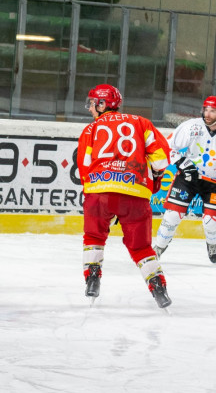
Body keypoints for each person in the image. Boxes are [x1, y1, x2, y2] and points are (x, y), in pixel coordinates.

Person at [76, 84, 172, 308]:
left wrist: (97, 191)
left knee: (94, 238)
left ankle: (92, 281)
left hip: (99, 193)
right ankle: (158, 288)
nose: (90, 108)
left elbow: (85, 167)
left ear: (102, 104)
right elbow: (161, 161)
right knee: (141, 247)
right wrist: (153, 178)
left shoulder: (90, 130)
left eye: (92, 103)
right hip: (135, 194)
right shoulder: (141, 123)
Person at [154, 96, 216, 263]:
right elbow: (167, 147)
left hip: (213, 184)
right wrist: (182, 163)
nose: (207, 114)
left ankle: (213, 244)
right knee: (172, 216)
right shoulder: (191, 126)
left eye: (212, 111)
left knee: (211, 222)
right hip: (188, 179)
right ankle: (158, 248)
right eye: (206, 110)